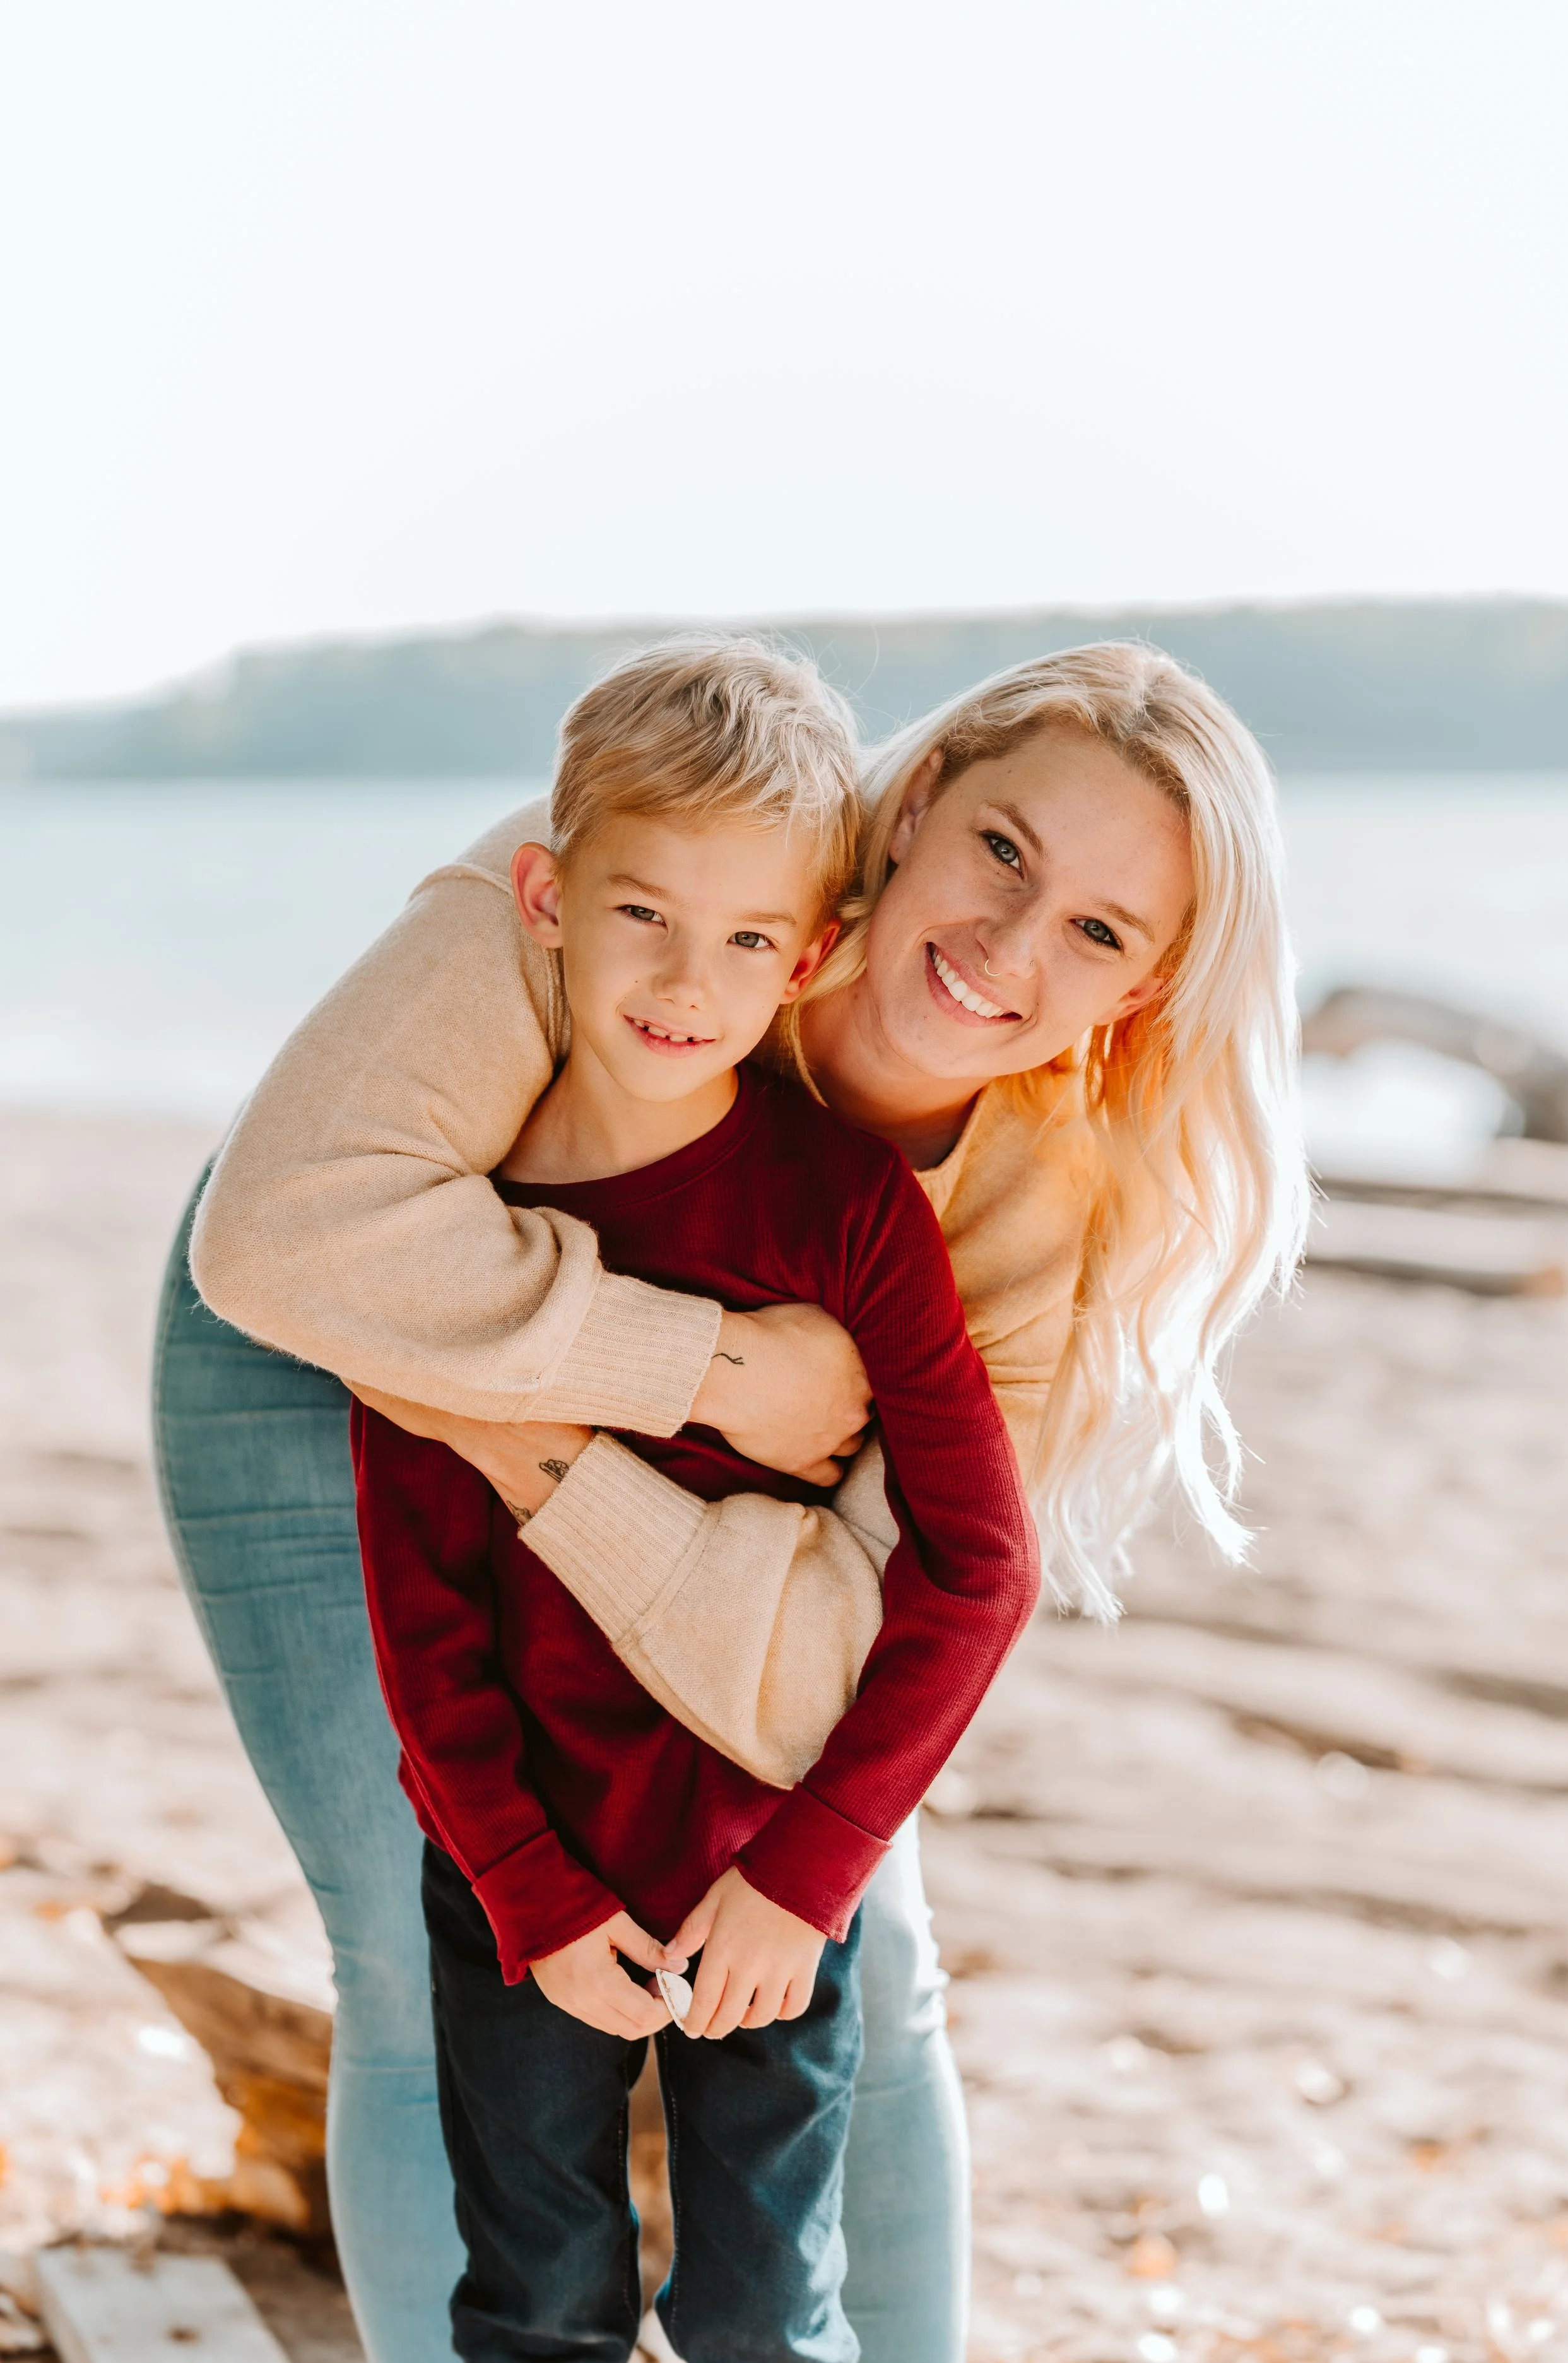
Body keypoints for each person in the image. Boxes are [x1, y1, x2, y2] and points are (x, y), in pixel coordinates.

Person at [155, 637, 1306, 2363]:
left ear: (1140, 992)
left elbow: (827, 1652)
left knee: (858, 1942)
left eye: (1097, 929)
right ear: (915, 800)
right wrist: (697, 1372)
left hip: (508, 1433)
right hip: (320, 1354)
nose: (1007, 945)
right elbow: (290, 1243)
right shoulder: (667, 864)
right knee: (422, 1955)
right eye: (1003, 850)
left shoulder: (1029, 1221)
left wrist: (527, 1446)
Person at [351, 639, 1040, 2360]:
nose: (685, 978)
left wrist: (811, 1879)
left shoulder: (844, 1209)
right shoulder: (465, 1228)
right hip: (526, 1876)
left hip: (771, 1861)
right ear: (545, 897)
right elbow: (420, 1610)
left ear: (807, 954)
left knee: (758, 2315)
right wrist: (527, 1888)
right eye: (641, 912)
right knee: (539, 2301)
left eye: (747, 940)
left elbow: (982, 1566)